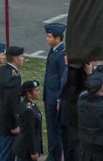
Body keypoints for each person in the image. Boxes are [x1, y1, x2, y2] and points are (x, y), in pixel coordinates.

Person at [0, 45, 25, 161]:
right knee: (7, 156)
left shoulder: (0, 71)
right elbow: (11, 103)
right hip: (7, 124)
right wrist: (14, 125)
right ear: (15, 59)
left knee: (0, 154)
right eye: (21, 56)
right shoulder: (14, 77)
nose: (23, 59)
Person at [60, 58, 93, 161]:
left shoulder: (75, 74)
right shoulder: (70, 71)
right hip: (68, 117)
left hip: (76, 121)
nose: (65, 57)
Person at [43, 23, 66, 161]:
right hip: (49, 96)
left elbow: (64, 78)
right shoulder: (53, 51)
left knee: (54, 130)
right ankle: (53, 154)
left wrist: (59, 99)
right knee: (51, 128)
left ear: (58, 39)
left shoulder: (62, 54)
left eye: (49, 36)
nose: (47, 39)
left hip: (54, 98)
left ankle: (55, 156)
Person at [14, 80, 43, 161]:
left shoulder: (29, 104)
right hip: (27, 150)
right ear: (28, 93)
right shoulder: (28, 110)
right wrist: (33, 151)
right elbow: (29, 132)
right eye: (36, 91)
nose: (39, 92)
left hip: (26, 148)